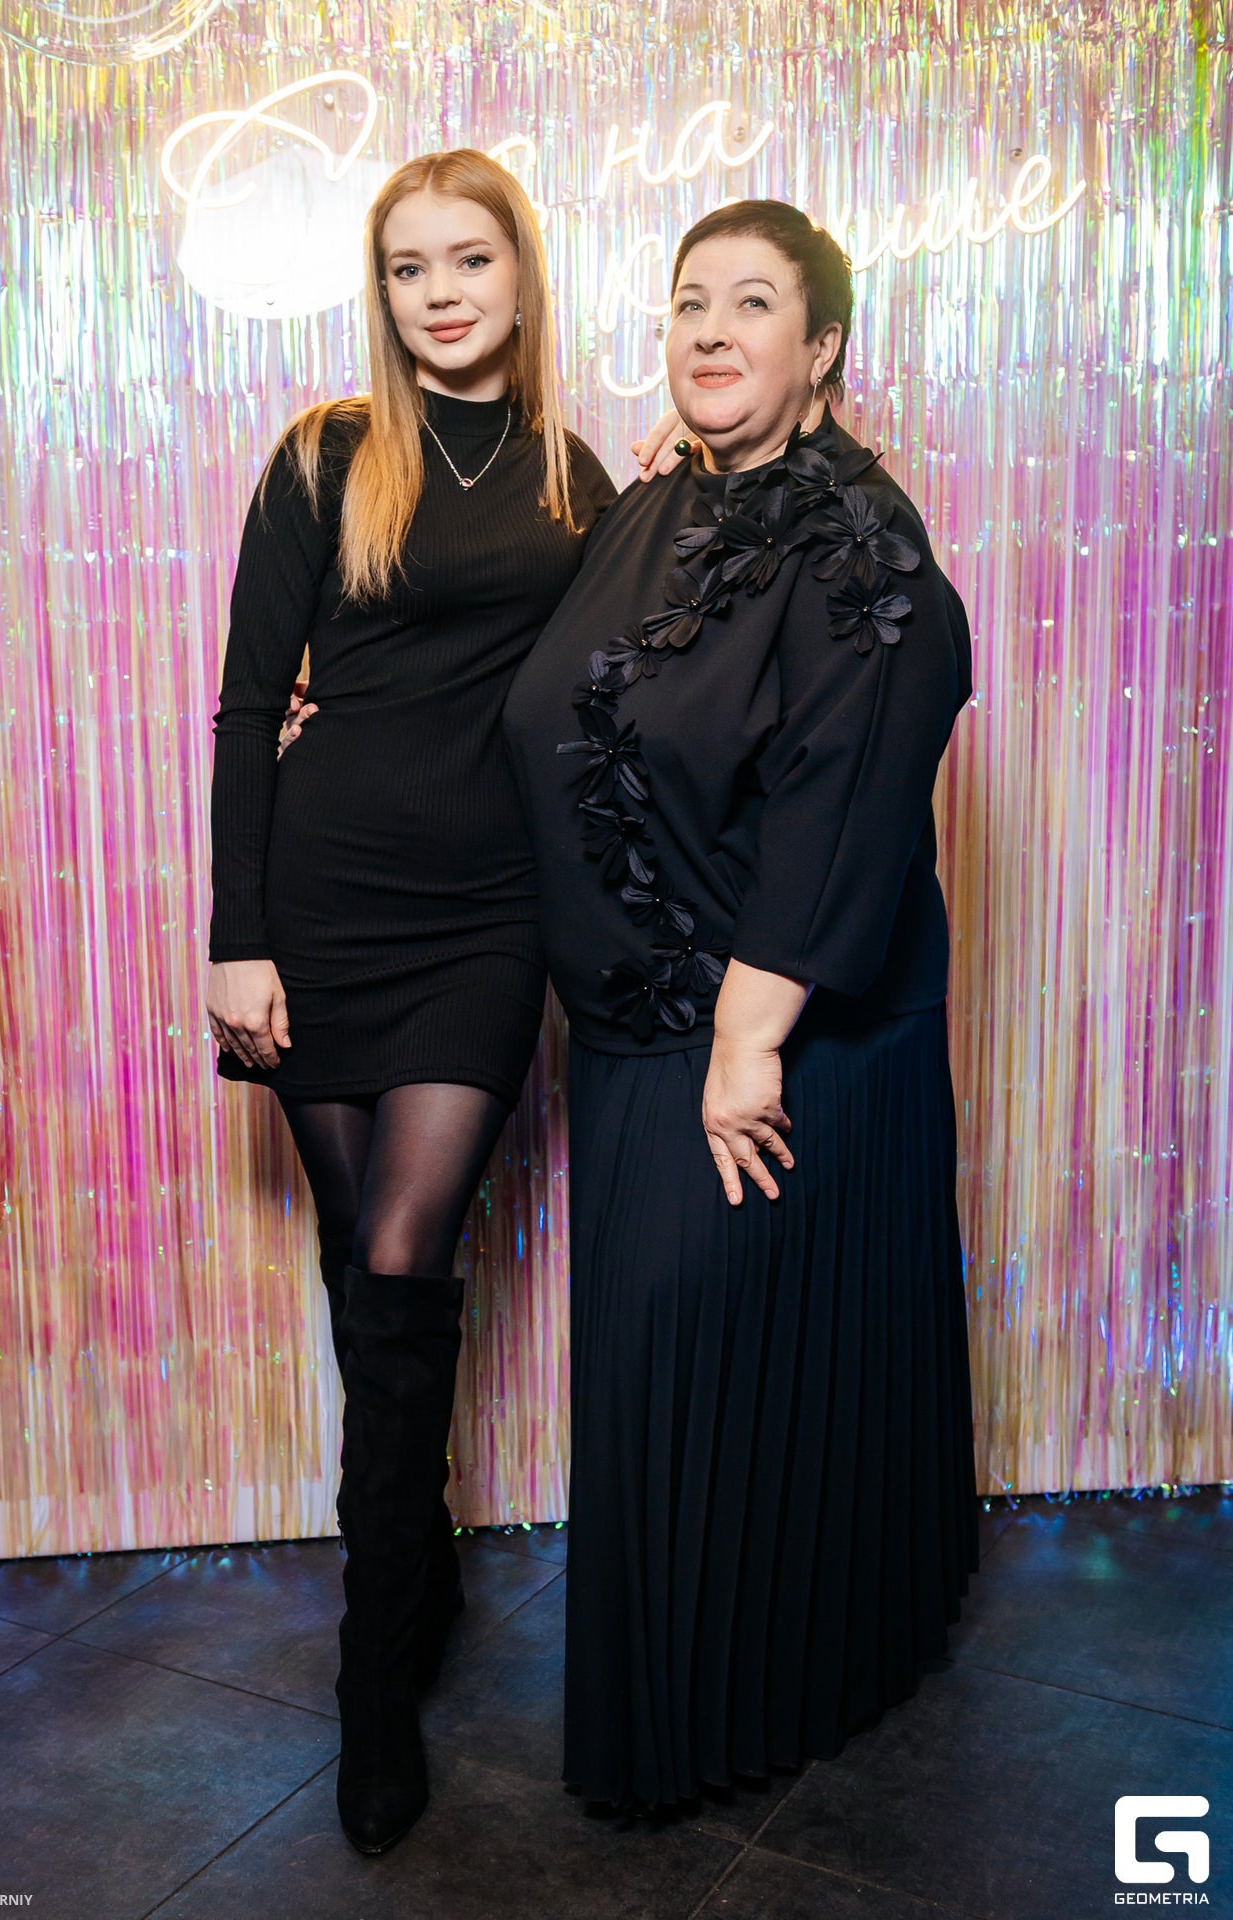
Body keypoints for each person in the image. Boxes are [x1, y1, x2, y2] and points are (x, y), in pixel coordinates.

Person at [206, 147, 686, 1857]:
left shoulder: (572, 475)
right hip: (322, 903)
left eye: (468, 258)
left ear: (518, 272)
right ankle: (416, 1581)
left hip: (488, 917)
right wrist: (236, 937)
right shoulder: (325, 457)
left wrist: (679, 496)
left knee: (406, 1253)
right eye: (409, 267)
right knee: (367, 1272)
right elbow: (247, 701)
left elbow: (632, 671)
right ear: (383, 290)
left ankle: (367, 1678)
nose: (440, 293)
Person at [504, 199, 979, 1809]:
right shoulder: (665, 503)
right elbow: (566, 698)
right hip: (637, 1032)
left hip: (765, 1051)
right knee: (679, 1393)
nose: (709, 330)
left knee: (730, 1382)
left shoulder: (862, 547)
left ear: (821, 345)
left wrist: (747, 1043)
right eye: (688, 301)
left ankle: (725, 1717)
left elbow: (842, 805)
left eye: (752, 304)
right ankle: (734, 1685)